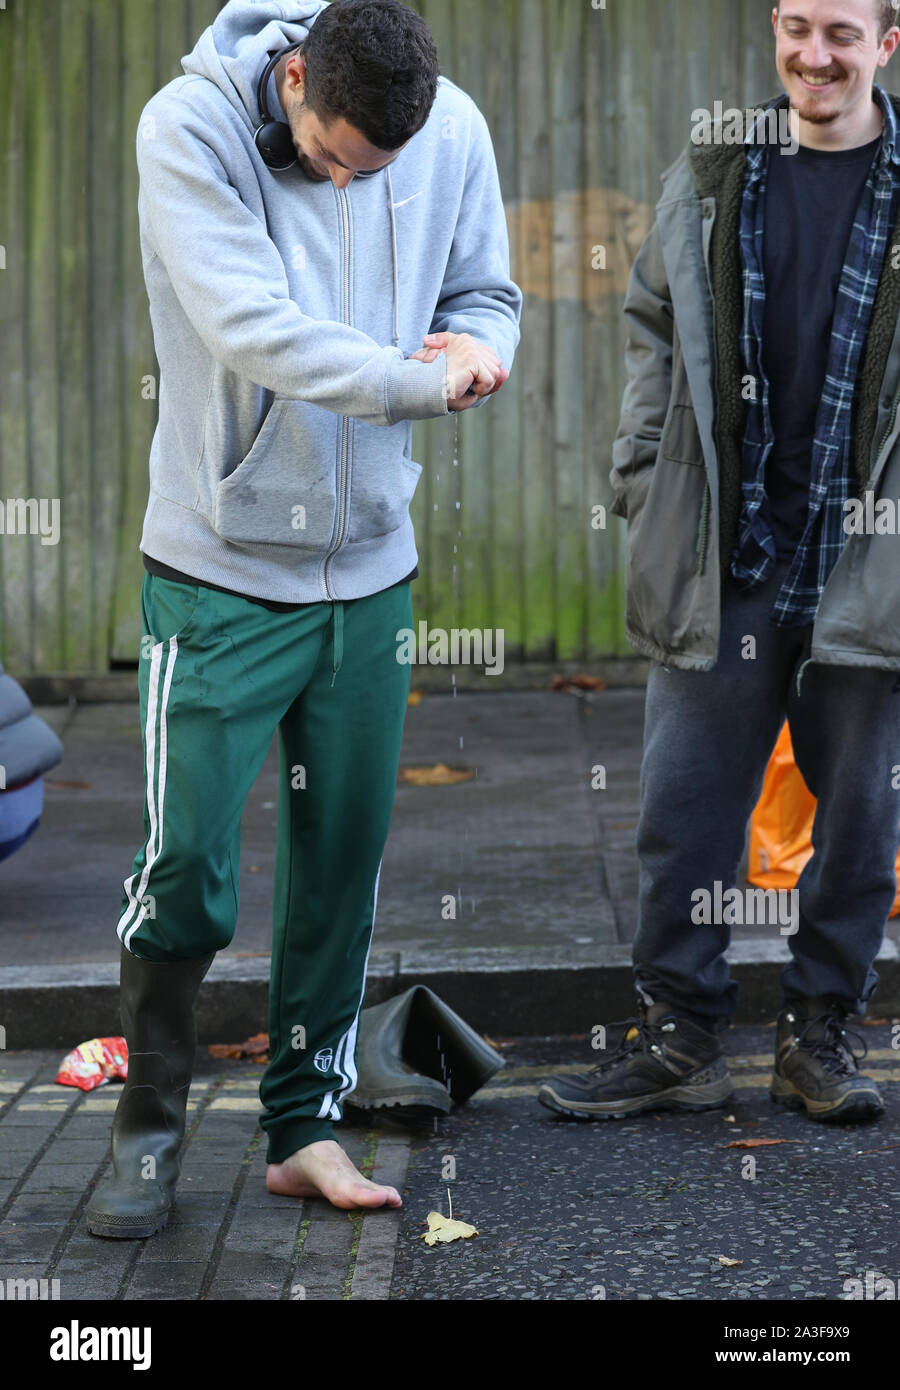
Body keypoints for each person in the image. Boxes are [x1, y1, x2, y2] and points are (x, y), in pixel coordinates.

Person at [87, 0, 521, 1239]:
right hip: (218, 575)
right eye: (334, 160)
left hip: (373, 575)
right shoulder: (186, 130)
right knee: (184, 880)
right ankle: (148, 1130)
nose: (347, 183)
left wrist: (481, 348)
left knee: (339, 876)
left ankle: (303, 1128)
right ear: (292, 82)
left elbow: (485, 287)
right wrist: (416, 384)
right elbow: (252, 329)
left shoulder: (449, 129)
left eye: (374, 174)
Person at [539, 0, 900, 1126]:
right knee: (683, 813)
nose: (814, 54)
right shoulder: (715, 165)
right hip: (727, 553)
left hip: (866, 557)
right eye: (796, 25)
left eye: (842, 31)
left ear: (888, 44)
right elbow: (651, 320)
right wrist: (642, 471)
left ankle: (818, 1032)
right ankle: (679, 1034)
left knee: (857, 822)